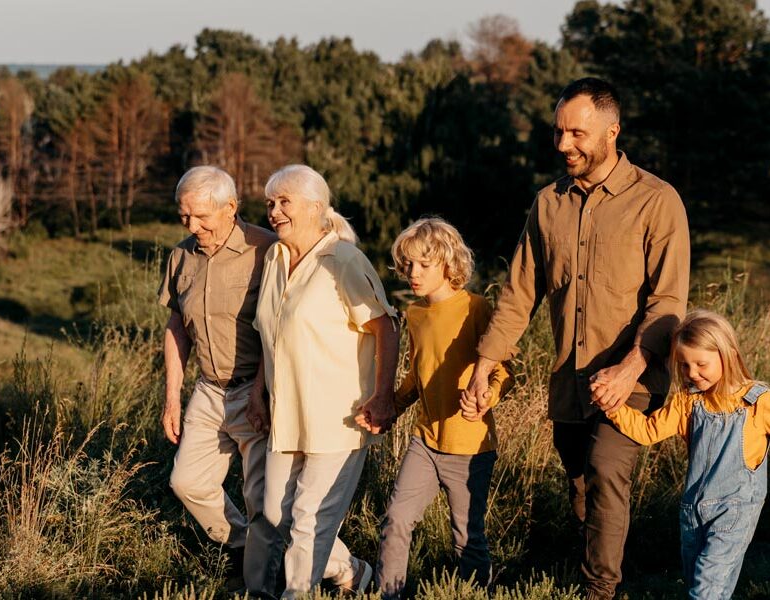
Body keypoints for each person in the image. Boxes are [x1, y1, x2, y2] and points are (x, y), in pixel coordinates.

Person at [463, 77, 691, 599]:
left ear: (612, 132)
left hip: (633, 375)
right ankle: (604, 563)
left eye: (577, 133)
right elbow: (520, 293)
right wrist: (485, 363)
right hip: (570, 379)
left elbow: (668, 303)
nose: (564, 144)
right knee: (583, 489)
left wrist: (631, 367)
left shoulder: (657, 202)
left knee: (607, 470)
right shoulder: (548, 204)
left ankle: (599, 591)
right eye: (560, 132)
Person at [606, 309, 770, 599]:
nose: (692, 373)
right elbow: (648, 431)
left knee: (707, 585)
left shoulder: (755, 401)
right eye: (684, 365)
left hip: (734, 510)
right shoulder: (687, 402)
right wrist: (613, 406)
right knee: (703, 585)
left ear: (727, 356)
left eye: (701, 364)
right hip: (692, 511)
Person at [252, 164, 399, 599]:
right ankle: (352, 571)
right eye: (269, 203)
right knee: (276, 512)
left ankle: (298, 593)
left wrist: (383, 396)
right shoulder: (275, 258)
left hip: (338, 417)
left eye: (284, 202)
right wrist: (259, 394)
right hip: (286, 415)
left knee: (309, 520)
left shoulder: (344, 260)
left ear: (316, 207)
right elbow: (269, 332)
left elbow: (385, 327)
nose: (274, 212)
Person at [374, 218, 512, 598]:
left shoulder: (476, 308)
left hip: (470, 448)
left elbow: (503, 369)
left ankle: (471, 593)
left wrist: (487, 397)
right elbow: (416, 376)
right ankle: (390, 594)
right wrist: (389, 408)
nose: (412, 274)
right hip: (425, 440)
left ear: (448, 265)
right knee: (396, 520)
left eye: (423, 265)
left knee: (467, 537)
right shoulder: (415, 314)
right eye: (407, 265)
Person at [158, 166, 277, 595]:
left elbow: (277, 330)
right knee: (185, 482)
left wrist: (262, 391)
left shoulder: (268, 251)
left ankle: (266, 586)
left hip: (256, 389)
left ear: (231, 208)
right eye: (184, 216)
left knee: (263, 499)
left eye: (201, 216)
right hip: (208, 390)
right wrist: (173, 397)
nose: (192, 226)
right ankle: (246, 547)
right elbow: (176, 327)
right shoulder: (181, 256)